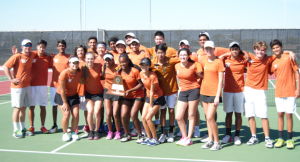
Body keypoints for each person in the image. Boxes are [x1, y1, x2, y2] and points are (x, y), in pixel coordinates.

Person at [244, 41, 294, 148]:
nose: (260, 52)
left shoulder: (268, 59)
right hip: (248, 90)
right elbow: (238, 52)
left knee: (264, 116)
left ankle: (267, 138)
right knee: (250, 115)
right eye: (258, 50)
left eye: (262, 50)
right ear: (255, 50)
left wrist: (289, 51)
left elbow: (278, 52)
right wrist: (245, 52)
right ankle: (254, 137)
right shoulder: (250, 57)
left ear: (265, 51)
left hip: (260, 91)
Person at [3, 39, 36, 138]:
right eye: (26, 45)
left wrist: (50, 54)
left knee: (23, 108)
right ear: (22, 47)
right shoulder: (17, 56)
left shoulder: (31, 55)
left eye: (29, 45)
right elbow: (5, 66)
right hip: (17, 87)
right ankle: (15, 130)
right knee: (17, 108)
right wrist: (11, 79)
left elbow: (40, 51)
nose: (28, 47)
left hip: (27, 86)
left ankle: (22, 128)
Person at [270, 39, 299, 149]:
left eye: (277, 47)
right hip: (279, 92)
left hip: (290, 91)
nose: (276, 49)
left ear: (281, 47)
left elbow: (296, 72)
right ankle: (281, 138)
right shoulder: (273, 61)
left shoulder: (289, 57)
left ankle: (289, 140)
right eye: (274, 48)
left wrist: (298, 89)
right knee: (280, 114)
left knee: (288, 115)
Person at [151, 44, 180, 143]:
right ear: (156, 53)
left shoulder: (171, 60)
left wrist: (192, 54)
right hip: (161, 93)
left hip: (172, 91)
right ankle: (163, 133)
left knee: (171, 111)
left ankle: (171, 132)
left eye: (162, 52)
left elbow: (186, 58)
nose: (160, 55)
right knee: (163, 112)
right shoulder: (152, 63)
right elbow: (142, 68)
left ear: (165, 53)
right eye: (158, 52)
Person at [221, 42, 247, 145]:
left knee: (238, 114)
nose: (234, 51)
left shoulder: (243, 59)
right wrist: (224, 55)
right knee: (228, 114)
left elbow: (250, 56)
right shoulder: (225, 60)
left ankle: (237, 136)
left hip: (240, 91)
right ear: (230, 50)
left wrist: (244, 53)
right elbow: (218, 58)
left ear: (239, 50)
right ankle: (228, 135)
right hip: (227, 91)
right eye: (232, 49)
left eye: (236, 49)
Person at [175, 48, 202, 146]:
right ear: (178, 55)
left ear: (188, 56)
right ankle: (184, 136)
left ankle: (189, 138)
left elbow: (201, 76)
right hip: (182, 91)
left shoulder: (194, 65)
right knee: (178, 117)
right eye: (181, 55)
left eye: (184, 55)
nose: (183, 57)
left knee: (191, 115)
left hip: (193, 90)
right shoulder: (176, 66)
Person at [200, 41, 224, 151]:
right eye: (206, 48)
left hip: (214, 94)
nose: (208, 50)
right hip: (203, 92)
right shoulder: (204, 62)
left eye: (210, 48)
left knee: (210, 117)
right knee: (207, 118)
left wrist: (217, 96)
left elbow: (220, 82)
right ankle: (210, 140)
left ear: (214, 49)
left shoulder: (219, 62)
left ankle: (217, 142)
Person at [54, 56, 82, 142]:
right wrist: (65, 103)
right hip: (62, 96)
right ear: (69, 64)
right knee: (66, 114)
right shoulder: (64, 73)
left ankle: (73, 132)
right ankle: (65, 133)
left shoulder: (79, 72)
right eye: (73, 63)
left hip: (74, 95)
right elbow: (62, 89)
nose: (75, 64)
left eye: (77, 63)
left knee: (76, 114)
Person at [118, 54, 145, 143]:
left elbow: (141, 84)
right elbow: (117, 86)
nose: (123, 63)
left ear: (128, 61)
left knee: (133, 115)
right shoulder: (119, 72)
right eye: (121, 62)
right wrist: (118, 91)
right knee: (123, 115)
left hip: (137, 95)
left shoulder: (135, 71)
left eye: (124, 61)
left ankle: (140, 135)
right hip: (127, 96)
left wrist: (130, 90)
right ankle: (127, 134)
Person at [140, 58, 166, 146]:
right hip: (148, 97)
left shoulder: (152, 76)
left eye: (146, 65)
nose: (144, 67)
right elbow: (147, 91)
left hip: (157, 97)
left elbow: (152, 92)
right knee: (143, 118)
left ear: (149, 66)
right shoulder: (141, 73)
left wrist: (150, 106)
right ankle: (149, 137)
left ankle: (155, 139)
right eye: (142, 65)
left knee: (148, 118)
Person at [28, 40, 52, 134]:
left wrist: (50, 55)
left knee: (43, 107)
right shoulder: (32, 54)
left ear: (45, 48)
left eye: (43, 47)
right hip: (31, 86)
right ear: (37, 47)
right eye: (40, 47)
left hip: (43, 86)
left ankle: (42, 126)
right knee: (32, 107)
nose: (41, 48)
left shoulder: (47, 58)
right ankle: (31, 127)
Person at [49, 40, 71, 133]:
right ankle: (55, 124)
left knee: (67, 106)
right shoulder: (53, 58)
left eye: (63, 46)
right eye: (60, 46)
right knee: (54, 106)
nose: (61, 47)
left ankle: (67, 125)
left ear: (65, 47)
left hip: (66, 87)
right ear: (57, 47)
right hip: (54, 86)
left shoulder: (70, 57)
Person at [81, 52, 104, 140]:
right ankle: (91, 131)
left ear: (94, 59)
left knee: (97, 112)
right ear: (85, 59)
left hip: (98, 93)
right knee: (90, 112)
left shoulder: (99, 66)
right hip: (88, 94)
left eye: (91, 58)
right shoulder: (83, 68)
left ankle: (96, 131)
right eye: (88, 58)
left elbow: (106, 73)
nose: (90, 60)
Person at [102, 53, 123, 140]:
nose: (107, 61)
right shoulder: (103, 67)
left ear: (112, 59)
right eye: (106, 59)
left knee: (115, 113)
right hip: (107, 91)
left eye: (109, 59)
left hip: (116, 90)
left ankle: (118, 132)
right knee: (108, 113)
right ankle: (110, 132)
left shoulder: (118, 67)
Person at [74, 45, 89, 134]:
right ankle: (75, 126)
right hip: (75, 91)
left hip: (85, 90)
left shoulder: (87, 62)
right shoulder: (73, 62)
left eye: (82, 50)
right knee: (75, 111)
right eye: (78, 50)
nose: (80, 52)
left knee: (86, 110)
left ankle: (87, 125)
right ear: (76, 52)